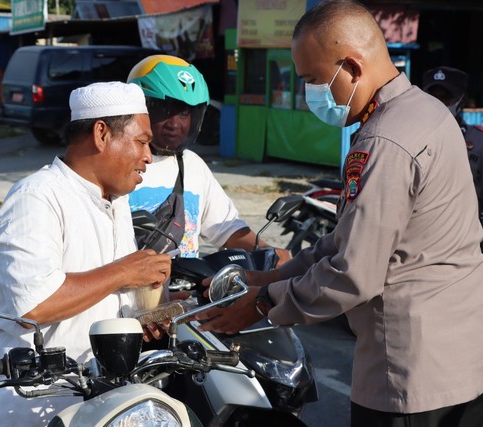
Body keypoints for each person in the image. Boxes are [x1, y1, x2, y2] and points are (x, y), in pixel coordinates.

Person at [197, 1, 483, 426]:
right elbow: (346, 239)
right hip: (457, 359)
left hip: (406, 377)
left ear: (351, 66)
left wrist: (262, 304)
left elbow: (353, 272)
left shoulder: (386, 140)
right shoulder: (425, 111)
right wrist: (272, 276)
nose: (310, 94)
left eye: (314, 81)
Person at [0, 81, 172, 426]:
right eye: (141, 141)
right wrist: (125, 272)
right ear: (101, 134)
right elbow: (34, 305)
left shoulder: (117, 202)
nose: (148, 157)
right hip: (34, 408)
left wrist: (148, 315)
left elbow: (102, 299)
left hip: (105, 406)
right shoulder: (36, 196)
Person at [127, 54, 286, 261]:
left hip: (184, 290)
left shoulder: (191, 165)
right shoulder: (118, 164)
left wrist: (267, 251)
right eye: (165, 111)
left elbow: (226, 228)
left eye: (184, 114)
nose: (174, 124)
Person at [422, 66, 483, 214]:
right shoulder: (409, 139)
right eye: (433, 97)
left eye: (446, 97)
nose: (439, 103)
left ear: (463, 99)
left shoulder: (478, 141)